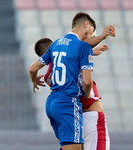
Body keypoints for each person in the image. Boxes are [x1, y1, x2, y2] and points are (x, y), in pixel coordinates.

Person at [33, 24, 115, 150]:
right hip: (90, 113)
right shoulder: (74, 55)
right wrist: (100, 39)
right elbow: (76, 52)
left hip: (71, 114)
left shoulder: (48, 77)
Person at [29, 12, 96, 150]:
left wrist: (34, 80)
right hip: (68, 104)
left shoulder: (56, 44)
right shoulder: (83, 47)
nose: (91, 35)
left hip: (52, 103)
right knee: (75, 147)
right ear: (86, 24)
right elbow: (87, 82)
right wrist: (87, 95)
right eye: (92, 31)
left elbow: (32, 68)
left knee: (73, 146)